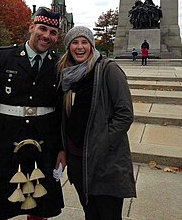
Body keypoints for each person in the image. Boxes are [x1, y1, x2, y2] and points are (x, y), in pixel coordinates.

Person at [0, 7, 66, 220]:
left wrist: (61, 148)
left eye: (53, 32)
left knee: (40, 202)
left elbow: (61, 110)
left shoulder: (59, 64)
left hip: (45, 141)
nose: (47, 36)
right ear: (31, 27)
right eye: (42, 28)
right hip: (4, 140)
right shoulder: (3, 56)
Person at [57, 26, 136, 220]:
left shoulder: (108, 69)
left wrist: (104, 142)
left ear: (92, 45)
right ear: (69, 47)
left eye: (84, 42)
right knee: (90, 213)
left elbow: (125, 113)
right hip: (77, 159)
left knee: (108, 214)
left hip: (105, 160)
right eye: (75, 42)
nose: (80, 47)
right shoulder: (66, 75)